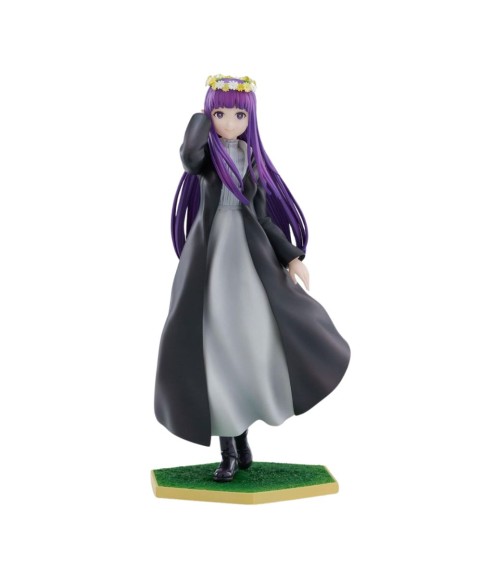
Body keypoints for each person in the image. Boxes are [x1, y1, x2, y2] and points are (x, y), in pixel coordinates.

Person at [154, 75, 350, 482]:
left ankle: (242, 438)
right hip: (211, 264)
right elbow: (189, 155)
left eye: (239, 115)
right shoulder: (207, 158)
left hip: (248, 264)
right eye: (221, 113)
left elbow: (262, 218)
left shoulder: (249, 161)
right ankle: (228, 450)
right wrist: (200, 117)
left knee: (250, 347)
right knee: (216, 351)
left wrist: (291, 257)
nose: (230, 122)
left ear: (251, 119)